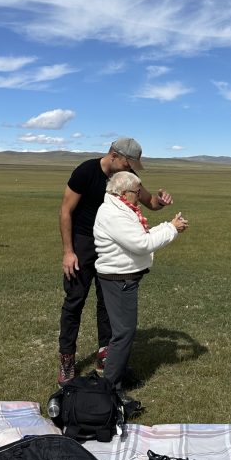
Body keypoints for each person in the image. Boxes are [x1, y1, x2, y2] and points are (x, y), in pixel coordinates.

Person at [58, 138, 173, 385]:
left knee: (106, 303)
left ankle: (105, 354)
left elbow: (149, 201)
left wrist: (160, 202)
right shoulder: (86, 171)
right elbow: (65, 210)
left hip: (111, 245)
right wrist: (69, 251)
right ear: (113, 155)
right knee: (75, 300)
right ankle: (67, 358)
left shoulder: (126, 175)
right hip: (83, 242)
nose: (130, 168)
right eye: (128, 162)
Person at [94, 171, 188, 400]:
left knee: (122, 332)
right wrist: (172, 229)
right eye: (137, 192)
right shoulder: (114, 214)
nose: (139, 196)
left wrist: (168, 226)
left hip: (120, 277)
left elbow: (140, 235)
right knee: (123, 333)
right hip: (119, 279)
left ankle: (118, 376)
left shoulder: (121, 209)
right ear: (124, 192)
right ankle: (111, 389)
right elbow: (141, 244)